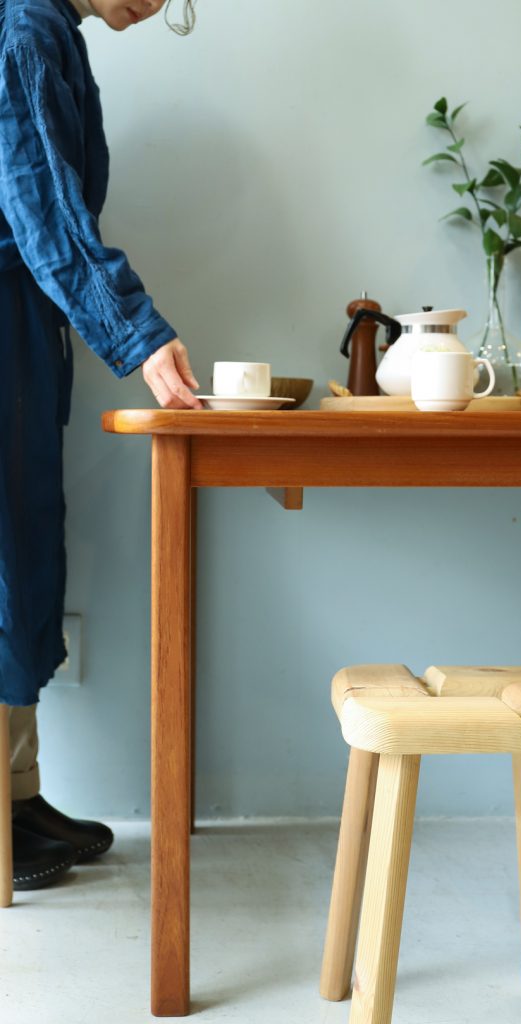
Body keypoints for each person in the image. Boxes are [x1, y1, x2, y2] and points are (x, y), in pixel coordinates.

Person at [0, 0, 203, 890]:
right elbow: (43, 203)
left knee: (30, 552)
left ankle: (16, 794)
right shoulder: (21, 27)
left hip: (25, 321)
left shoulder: (53, 32)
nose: (157, 5)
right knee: (8, 558)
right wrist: (136, 332)